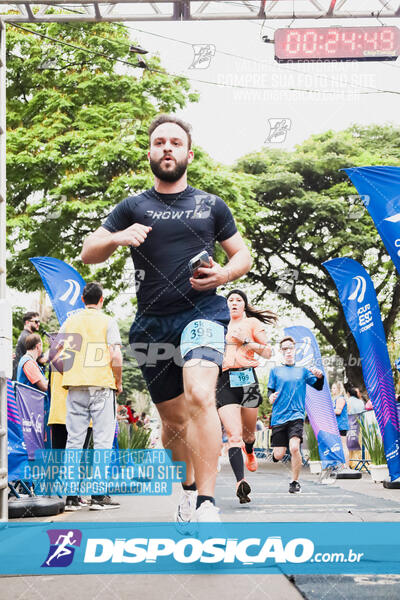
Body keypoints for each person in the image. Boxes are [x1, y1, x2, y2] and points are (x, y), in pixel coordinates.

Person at [81, 114, 251, 522]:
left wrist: (225, 274)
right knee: (172, 421)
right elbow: (89, 250)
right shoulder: (133, 206)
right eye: (159, 143)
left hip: (203, 312)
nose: (167, 148)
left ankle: (208, 504)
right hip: (152, 325)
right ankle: (188, 490)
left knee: (199, 395)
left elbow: (241, 255)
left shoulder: (211, 205)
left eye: (175, 142)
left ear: (189, 153)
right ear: (150, 153)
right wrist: (117, 237)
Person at [57, 281, 123, 511]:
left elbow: (55, 354)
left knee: (74, 441)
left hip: (75, 386)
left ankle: (71, 498)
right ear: (101, 299)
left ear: (83, 300)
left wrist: (70, 372)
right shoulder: (107, 321)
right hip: (102, 386)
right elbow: (116, 357)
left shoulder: (70, 321)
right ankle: (98, 496)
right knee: (103, 441)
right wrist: (118, 381)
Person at [216, 289, 276, 504]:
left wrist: (246, 342)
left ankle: (249, 450)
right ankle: (240, 483)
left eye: (238, 300)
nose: (233, 303)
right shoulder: (218, 324)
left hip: (247, 378)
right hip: (224, 381)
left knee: (248, 435)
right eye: (230, 300)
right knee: (234, 435)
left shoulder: (252, 324)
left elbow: (268, 352)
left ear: (244, 304)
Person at [268, 336, 324, 494]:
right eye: (284, 349)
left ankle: (294, 482)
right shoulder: (275, 371)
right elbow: (270, 391)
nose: (288, 351)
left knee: (294, 448)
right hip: (279, 417)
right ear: (281, 352)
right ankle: (277, 453)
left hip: (296, 416)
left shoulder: (303, 371)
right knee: (279, 455)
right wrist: (270, 397)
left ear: (295, 350)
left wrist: (320, 377)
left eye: (290, 348)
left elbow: (318, 386)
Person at [13, 311, 46, 379]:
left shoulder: (24, 335)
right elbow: (42, 359)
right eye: (36, 321)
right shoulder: (28, 337)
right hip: (24, 380)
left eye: (39, 321)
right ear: (27, 322)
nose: (38, 324)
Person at [331, 381, 350, 468]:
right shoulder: (336, 399)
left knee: (343, 445)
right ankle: (341, 465)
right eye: (332, 388)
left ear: (339, 389)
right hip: (337, 425)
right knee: (338, 445)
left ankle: (346, 466)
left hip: (341, 425)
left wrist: (328, 410)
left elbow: (338, 411)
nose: (332, 389)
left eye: (334, 388)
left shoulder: (340, 399)